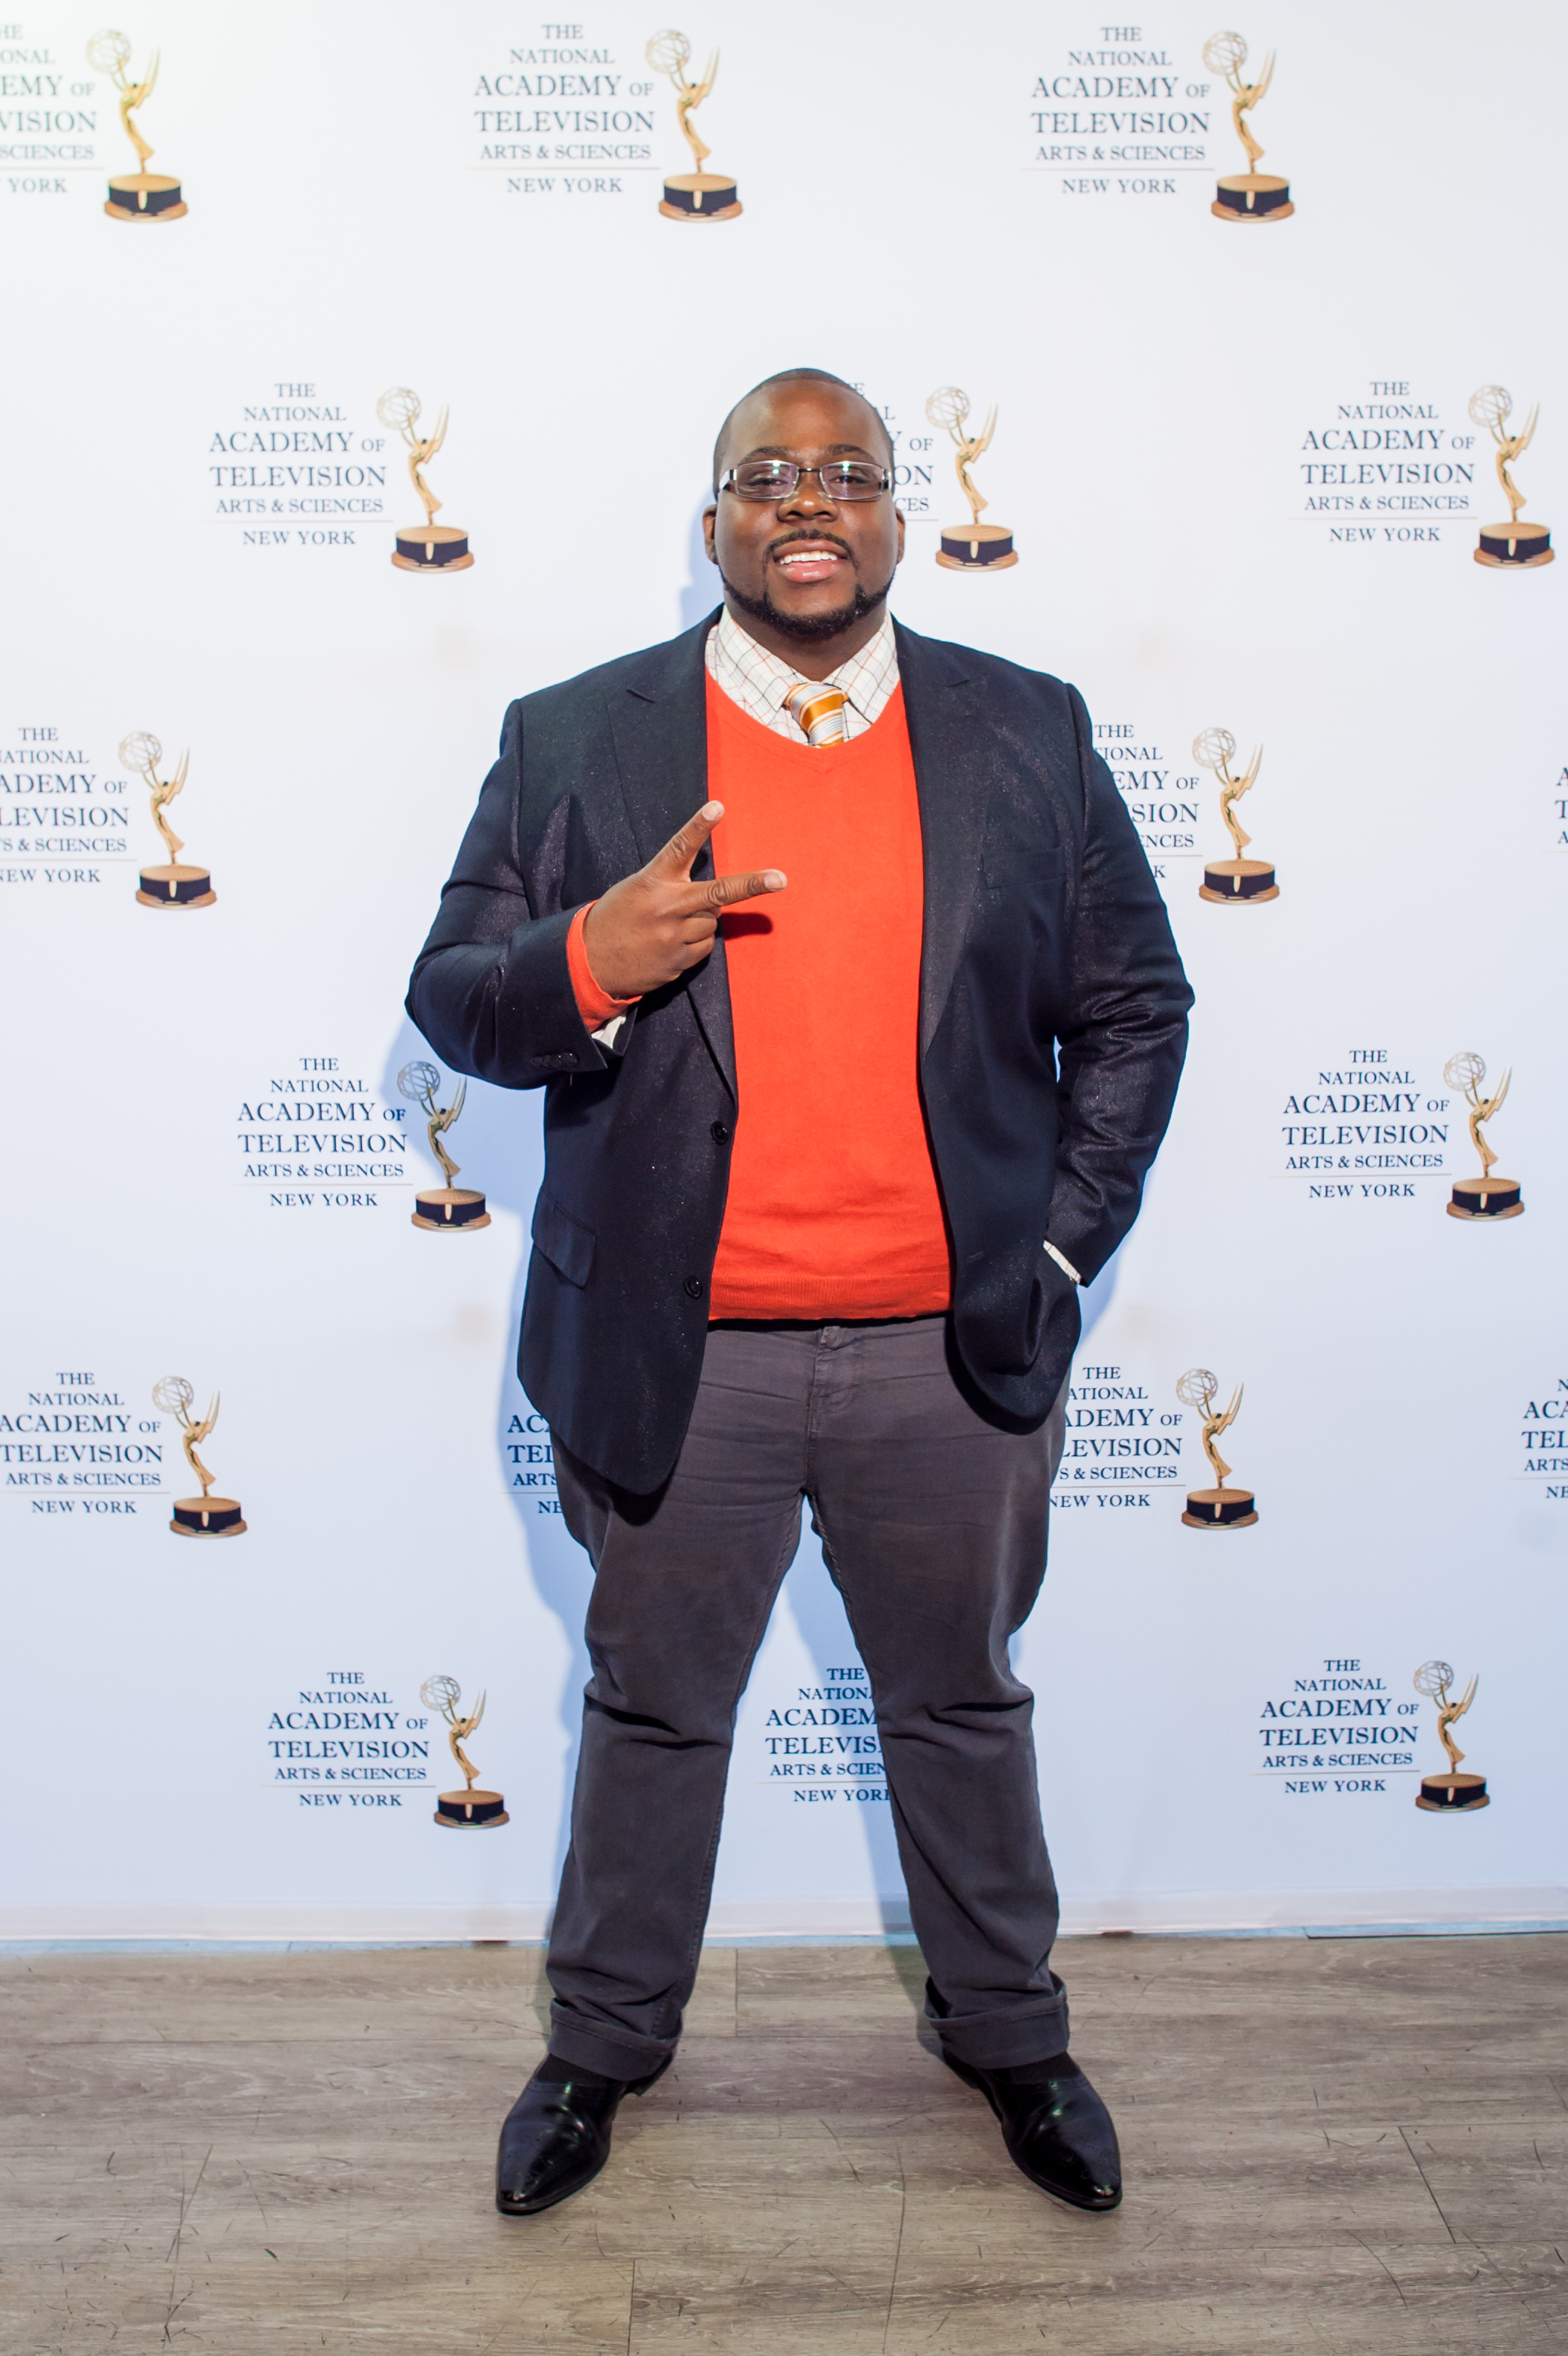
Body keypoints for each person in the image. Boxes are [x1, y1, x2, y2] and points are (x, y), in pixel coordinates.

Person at [407, 367, 1192, 2218]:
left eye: (847, 471)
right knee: (651, 1713)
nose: (807, 498)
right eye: (766, 474)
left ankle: (1009, 2034)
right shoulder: (573, 735)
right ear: (715, 527)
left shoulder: (1022, 728)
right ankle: (602, 2045)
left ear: (899, 517)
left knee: (960, 1706)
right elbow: (452, 996)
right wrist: (589, 959)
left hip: (949, 1353)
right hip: (676, 1357)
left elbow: (1134, 1008)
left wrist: (1054, 1249)